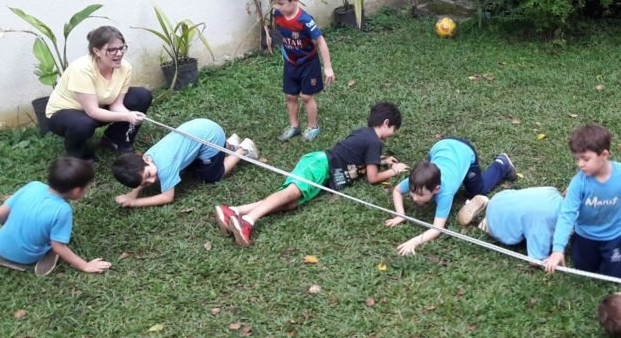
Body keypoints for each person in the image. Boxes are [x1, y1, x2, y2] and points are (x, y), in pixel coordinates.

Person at [215, 102, 406, 246]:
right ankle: (248, 221)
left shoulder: (366, 135)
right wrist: (392, 171)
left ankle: (233, 211)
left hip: (321, 170)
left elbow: (357, 156)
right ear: (386, 123)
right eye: (394, 130)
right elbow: (373, 178)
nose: (393, 134)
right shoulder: (374, 141)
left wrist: (381, 160)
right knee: (290, 194)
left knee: (290, 203)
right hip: (320, 165)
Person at [542, 123, 621, 279]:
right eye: (577, 159)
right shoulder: (578, 183)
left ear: (604, 155)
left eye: (585, 159)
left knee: (617, 275)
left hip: (614, 234)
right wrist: (557, 249)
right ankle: (576, 245)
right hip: (586, 235)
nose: (580, 164)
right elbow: (567, 214)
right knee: (584, 270)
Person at [386, 138, 517, 255]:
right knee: (426, 172)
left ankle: (502, 163)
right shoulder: (417, 182)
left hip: (465, 151)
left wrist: (413, 242)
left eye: (420, 194)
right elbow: (397, 190)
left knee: (477, 190)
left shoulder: (445, 193)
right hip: (441, 146)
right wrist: (400, 214)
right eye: (412, 191)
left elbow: (437, 229)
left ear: (437, 189)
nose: (414, 197)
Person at [45, 26, 152, 161]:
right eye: (112, 49)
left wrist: (130, 115)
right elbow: (92, 112)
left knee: (142, 95)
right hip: (64, 114)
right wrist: (127, 117)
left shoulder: (125, 67)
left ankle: (115, 140)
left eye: (121, 48)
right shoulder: (82, 68)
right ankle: (79, 156)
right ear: (96, 51)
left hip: (97, 109)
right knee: (83, 124)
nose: (119, 54)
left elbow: (116, 105)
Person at [0, 157, 111, 275]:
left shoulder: (33, 186)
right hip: (27, 256)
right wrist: (85, 266)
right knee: (57, 241)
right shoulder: (62, 210)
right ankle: (33, 257)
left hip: (0, 245)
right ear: (77, 191)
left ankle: (10, 251)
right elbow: (58, 247)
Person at [111, 118, 258, 208]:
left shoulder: (165, 167)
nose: (153, 180)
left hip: (210, 136)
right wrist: (132, 194)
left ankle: (243, 149)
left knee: (212, 176)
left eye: (149, 175)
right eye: (145, 183)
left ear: (146, 160)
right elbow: (139, 174)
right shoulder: (149, 156)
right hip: (200, 127)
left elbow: (167, 197)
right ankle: (229, 145)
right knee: (192, 170)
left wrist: (133, 202)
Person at [269, 0, 335, 142]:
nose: (277, 7)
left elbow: (320, 42)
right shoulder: (278, 15)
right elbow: (284, 35)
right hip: (291, 63)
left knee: (306, 97)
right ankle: (294, 126)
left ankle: (313, 127)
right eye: (275, 3)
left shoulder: (305, 21)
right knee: (290, 96)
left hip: (308, 64)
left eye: (281, 3)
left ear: (295, 0)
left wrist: (327, 67)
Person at [456, 187, 562, 263]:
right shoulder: (545, 223)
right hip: (497, 225)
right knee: (518, 232)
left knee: (521, 213)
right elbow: (535, 260)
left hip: (501, 198)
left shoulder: (552, 191)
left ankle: (488, 204)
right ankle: (486, 223)